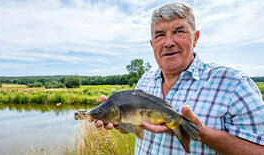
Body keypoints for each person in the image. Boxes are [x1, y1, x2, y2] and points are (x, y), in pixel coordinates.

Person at [88, 2, 264, 154]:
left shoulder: (234, 83)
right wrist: (121, 122)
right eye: (160, 35)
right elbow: (139, 125)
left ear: (195, 38)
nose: (168, 42)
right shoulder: (144, 81)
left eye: (179, 31)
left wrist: (201, 133)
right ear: (152, 44)